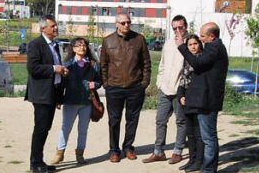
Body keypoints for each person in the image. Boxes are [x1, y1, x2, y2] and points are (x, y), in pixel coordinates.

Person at [175, 22, 229, 173]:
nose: (200, 38)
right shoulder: (213, 47)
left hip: (209, 100)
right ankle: (205, 168)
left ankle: (209, 171)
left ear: (212, 36)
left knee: (209, 137)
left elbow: (197, 63)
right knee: (206, 136)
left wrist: (181, 47)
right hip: (205, 99)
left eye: (203, 36)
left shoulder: (214, 48)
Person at [100, 13, 151, 162]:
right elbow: (103, 65)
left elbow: (146, 63)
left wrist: (144, 83)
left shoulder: (139, 39)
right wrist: (106, 83)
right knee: (114, 120)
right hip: (114, 87)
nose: (126, 25)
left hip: (135, 87)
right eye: (123, 23)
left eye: (128, 22)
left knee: (132, 119)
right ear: (116, 24)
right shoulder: (108, 41)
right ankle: (114, 150)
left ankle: (128, 147)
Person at [25, 15, 68, 173]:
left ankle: (40, 160)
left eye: (56, 26)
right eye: (53, 26)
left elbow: (55, 67)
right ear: (43, 28)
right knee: (41, 128)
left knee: (45, 128)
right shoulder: (36, 44)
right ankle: (35, 163)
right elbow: (33, 68)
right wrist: (53, 69)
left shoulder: (54, 45)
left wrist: (61, 71)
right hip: (41, 94)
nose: (56, 28)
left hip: (52, 93)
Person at [142, 15, 188, 165]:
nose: (178, 30)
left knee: (181, 121)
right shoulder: (168, 43)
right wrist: (159, 83)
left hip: (180, 90)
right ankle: (158, 151)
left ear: (185, 26)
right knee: (160, 120)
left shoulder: (191, 43)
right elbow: (162, 65)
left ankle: (177, 151)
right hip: (165, 89)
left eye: (180, 27)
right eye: (175, 28)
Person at [49, 37, 102, 165]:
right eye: (78, 45)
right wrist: (58, 99)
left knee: (83, 130)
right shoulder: (67, 65)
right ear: (73, 48)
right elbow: (61, 84)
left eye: (84, 45)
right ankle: (59, 153)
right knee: (65, 128)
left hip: (87, 102)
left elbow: (100, 81)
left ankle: (80, 154)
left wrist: (95, 84)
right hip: (70, 102)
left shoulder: (94, 64)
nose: (82, 48)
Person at [176, 34, 205, 173]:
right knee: (190, 132)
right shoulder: (186, 60)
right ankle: (192, 159)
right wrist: (180, 95)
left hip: (197, 100)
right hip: (187, 100)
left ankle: (199, 161)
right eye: (189, 45)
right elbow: (183, 79)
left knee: (198, 133)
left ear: (200, 44)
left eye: (195, 44)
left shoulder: (202, 59)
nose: (193, 47)